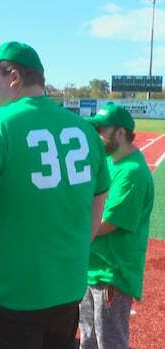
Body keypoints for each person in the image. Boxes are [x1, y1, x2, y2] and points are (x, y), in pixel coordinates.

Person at [0, 41, 111, 348]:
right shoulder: (86, 130)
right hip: (67, 288)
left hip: (12, 292)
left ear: (14, 77)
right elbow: (97, 202)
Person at [79, 103, 155, 349]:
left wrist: (70, 232)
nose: (96, 134)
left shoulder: (133, 172)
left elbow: (107, 223)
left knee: (109, 342)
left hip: (112, 272)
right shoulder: (111, 162)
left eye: (101, 129)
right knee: (88, 339)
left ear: (121, 132)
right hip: (93, 268)